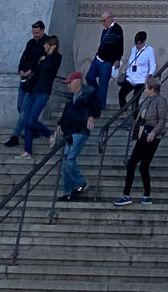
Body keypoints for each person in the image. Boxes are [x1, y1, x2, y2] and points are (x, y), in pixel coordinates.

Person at [113, 76, 168, 207]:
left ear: (152, 89)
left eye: (146, 88)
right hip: (142, 133)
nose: (145, 91)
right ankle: (126, 194)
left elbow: (162, 119)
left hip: (152, 134)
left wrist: (154, 132)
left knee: (144, 165)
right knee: (132, 163)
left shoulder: (160, 101)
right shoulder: (146, 101)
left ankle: (147, 194)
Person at [56, 71, 99, 201]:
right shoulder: (71, 98)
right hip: (69, 131)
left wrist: (91, 116)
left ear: (77, 82)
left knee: (69, 159)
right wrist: (60, 124)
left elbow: (96, 108)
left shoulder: (88, 95)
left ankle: (80, 182)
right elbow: (66, 112)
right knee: (66, 162)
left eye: (70, 83)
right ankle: (68, 191)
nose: (68, 86)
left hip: (79, 130)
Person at [18, 34, 61, 154]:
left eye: (46, 44)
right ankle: (27, 150)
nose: (44, 46)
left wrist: (49, 56)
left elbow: (48, 68)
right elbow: (37, 72)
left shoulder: (56, 58)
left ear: (52, 46)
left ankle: (49, 133)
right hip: (33, 90)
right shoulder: (43, 57)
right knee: (27, 120)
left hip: (43, 91)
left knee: (31, 120)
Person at [5, 21, 47, 146]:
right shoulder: (31, 43)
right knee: (20, 106)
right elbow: (23, 57)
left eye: (37, 32)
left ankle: (15, 135)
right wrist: (21, 70)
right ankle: (35, 129)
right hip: (24, 80)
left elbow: (42, 64)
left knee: (25, 110)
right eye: (33, 32)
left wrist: (31, 71)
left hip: (34, 82)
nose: (35, 35)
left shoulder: (46, 44)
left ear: (43, 30)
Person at [85, 12, 124, 114]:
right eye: (102, 20)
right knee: (89, 77)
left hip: (108, 62)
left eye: (104, 20)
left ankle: (100, 105)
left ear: (110, 18)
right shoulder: (105, 30)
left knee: (103, 84)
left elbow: (120, 46)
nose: (103, 23)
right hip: (98, 58)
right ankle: (96, 95)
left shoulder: (117, 29)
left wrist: (117, 59)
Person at [118, 32, 156, 116]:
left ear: (144, 42)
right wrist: (126, 73)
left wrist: (149, 75)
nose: (138, 46)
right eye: (136, 43)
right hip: (131, 77)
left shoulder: (149, 50)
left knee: (135, 99)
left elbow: (152, 64)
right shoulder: (133, 49)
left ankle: (135, 119)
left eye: (139, 44)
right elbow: (131, 63)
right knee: (121, 94)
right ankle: (124, 115)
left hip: (141, 79)